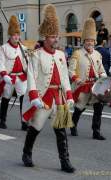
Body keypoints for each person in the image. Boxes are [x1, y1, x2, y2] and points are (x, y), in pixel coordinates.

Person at [22, 4, 75, 173]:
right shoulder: (36, 55)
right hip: (44, 97)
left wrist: (70, 96)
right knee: (35, 128)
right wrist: (34, 97)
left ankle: (65, 161)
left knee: (61, 130)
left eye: (56, 36)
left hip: (59, 96)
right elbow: (31, 76)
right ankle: (26, 153)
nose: (55, 39)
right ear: (45, 37)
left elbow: (65, 77)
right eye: (52, 36)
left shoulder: (61, 55)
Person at [69, 18, 107, 140]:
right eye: (87, 40)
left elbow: (101, 70)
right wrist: (76, 79)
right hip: (83, 85)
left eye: (91, 40)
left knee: (98, 107)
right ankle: (73, 125)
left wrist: (104, 78)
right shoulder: (77, 54)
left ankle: (96, 131)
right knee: (80, 108)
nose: (90, 42)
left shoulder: (97, 54)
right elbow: (71, 71)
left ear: (94, 41)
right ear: (84, 41)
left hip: (96, 86)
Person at [0, 16, 28, 130]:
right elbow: (0, 62)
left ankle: (24, 122)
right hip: (9, 77)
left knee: (24, 99)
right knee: (6, 98)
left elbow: (26, 63)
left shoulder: (23, 48)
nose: (16, 37)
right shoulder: (3, 48)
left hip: (21, 77)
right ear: (10, 35)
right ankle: (2, 120)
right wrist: (4, 75)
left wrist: (29, 70)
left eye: (18, 35)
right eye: (14, 35)